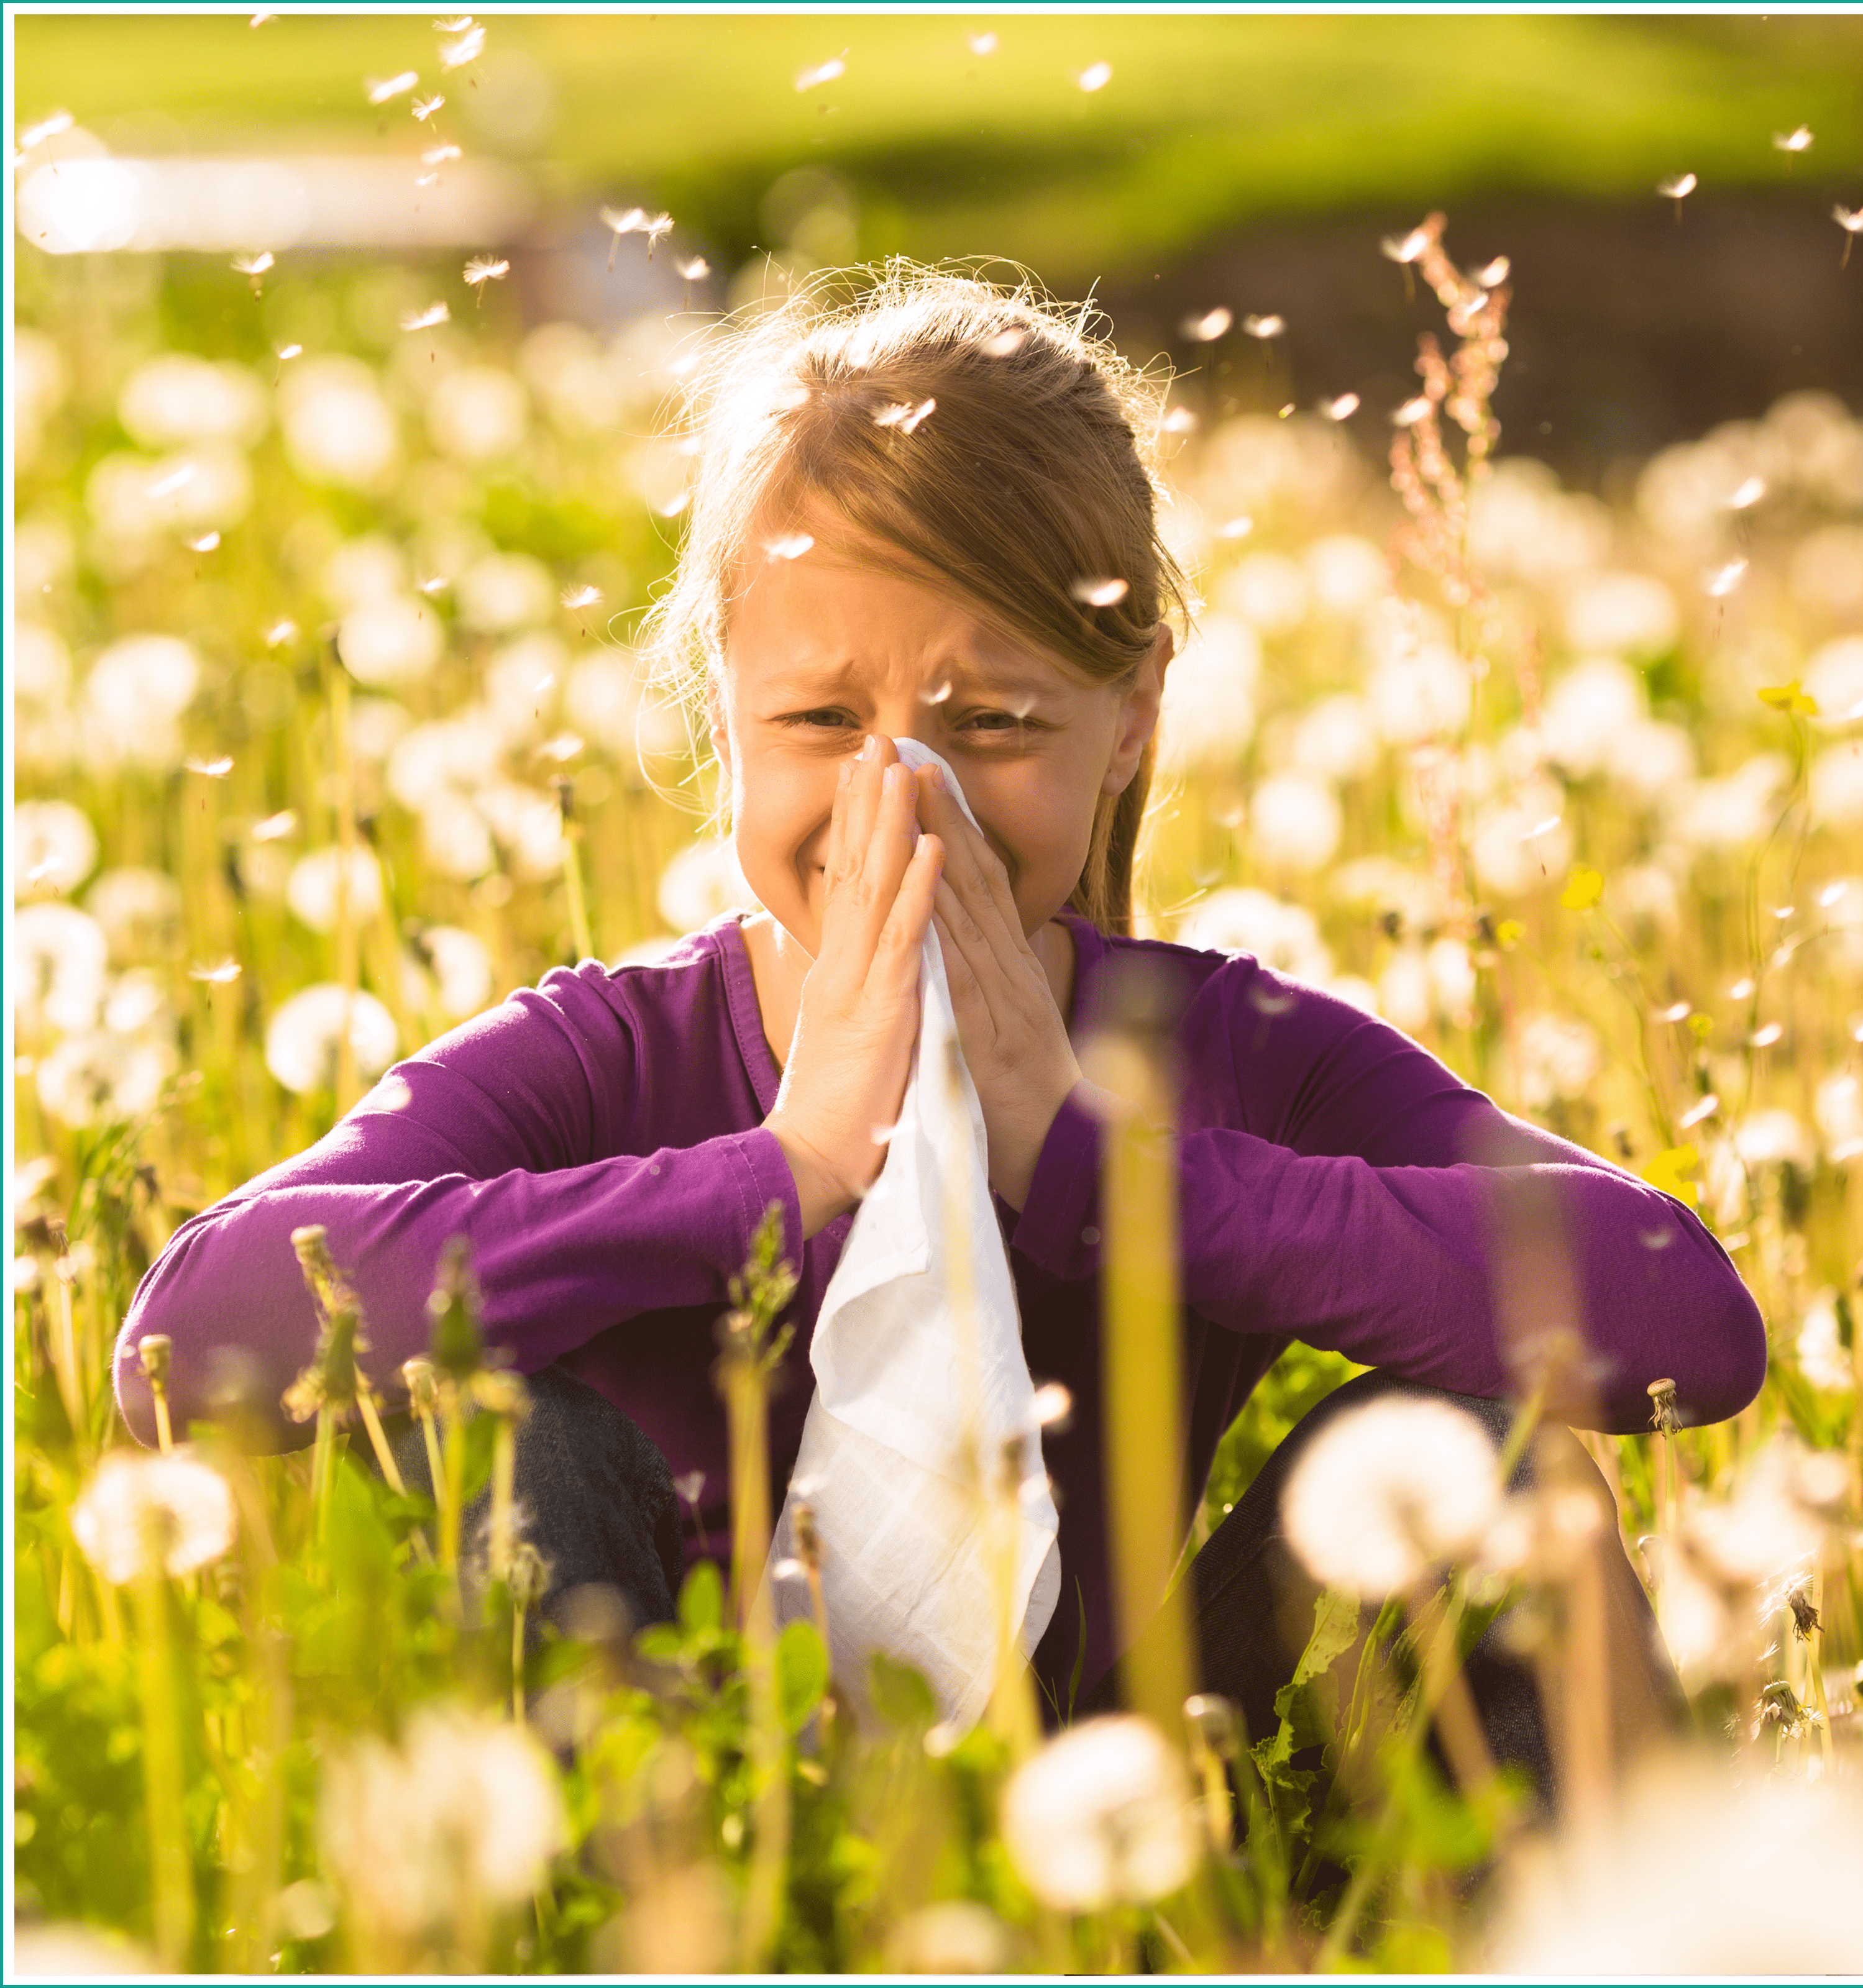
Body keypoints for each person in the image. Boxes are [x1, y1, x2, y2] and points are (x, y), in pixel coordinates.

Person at [115, 266, 1764, 1779]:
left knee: (1483, 1459)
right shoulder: (613, 1054)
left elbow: (1684, 1316)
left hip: (1127, 1777)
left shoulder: (1227, 1053)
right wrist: (785, 1170)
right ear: (724, 705)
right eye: (823, 719)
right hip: (661, 1773)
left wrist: (1111, 1173)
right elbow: (187, 1339)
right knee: (506, 1443)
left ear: (1131, 723)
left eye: (991, 723)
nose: (902, 800)